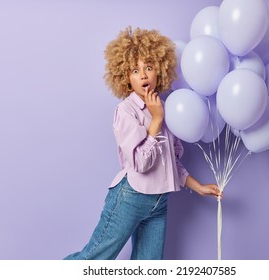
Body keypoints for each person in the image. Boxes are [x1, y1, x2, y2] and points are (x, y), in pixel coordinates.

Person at [64, 26, 221, 260]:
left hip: (159, 203)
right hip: (130, 197)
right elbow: (141, 163)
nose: (144, 75)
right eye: (135, 70)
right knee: (93, 260)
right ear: (126, 78)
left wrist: (197, 186)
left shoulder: (169, 107)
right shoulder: (125, 111)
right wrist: (156, 119)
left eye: (148, 67)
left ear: (160, 70)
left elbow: (170, 162)